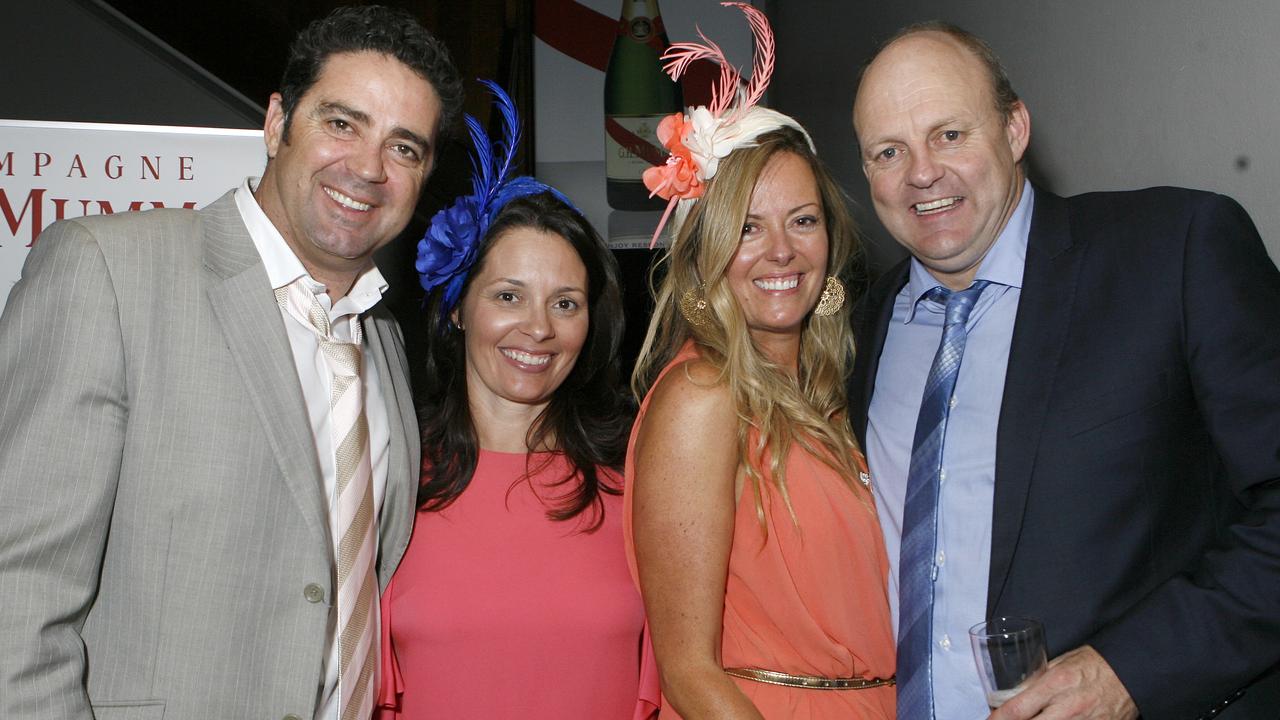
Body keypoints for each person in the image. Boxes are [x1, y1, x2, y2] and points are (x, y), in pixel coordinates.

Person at [0, 6, 462, 719]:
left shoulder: (384, 340)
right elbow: (17, 598)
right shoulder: (109, 272)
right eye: (342, 124)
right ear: (277, 123)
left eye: (404, 148)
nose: (367, 168)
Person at [849, 21, 1280, 720]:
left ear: (1015, 129)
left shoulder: (1173, 254)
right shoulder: (860, 329)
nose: (921, 172)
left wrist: (1132, 674)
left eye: (949, 134)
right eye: (887, 151)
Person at [625, 5, 895, 718]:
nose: (781, 250)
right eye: (747, 227)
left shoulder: (846, 391)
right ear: (707, 252)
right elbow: (688, 674)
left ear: (831, 240)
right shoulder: (703, 396)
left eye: (802, 221)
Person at [373, 81, 645, 720]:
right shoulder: (390, 471)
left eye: (566, 303)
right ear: (460, 308)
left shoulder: (640, 474)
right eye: (507, 296)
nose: (539, 328)